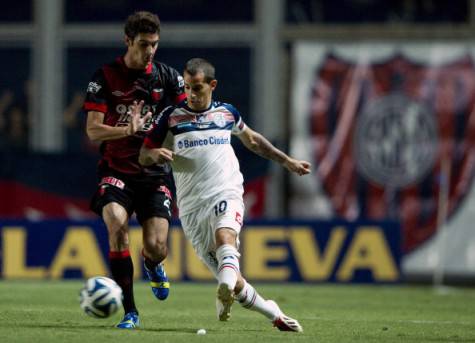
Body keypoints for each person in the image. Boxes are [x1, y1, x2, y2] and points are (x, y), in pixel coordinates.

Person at [138, 58, 310, 332]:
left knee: (225, 237)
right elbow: (144, 155)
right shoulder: (170, 117)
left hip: (225, 191)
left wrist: (287, 161)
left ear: (212, 85)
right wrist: (155, 154)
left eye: (197, 88)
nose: (191, 94)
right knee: (234, 278)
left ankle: (224, 286)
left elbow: (253, 140)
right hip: (192, 208)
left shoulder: (227, 113)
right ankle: (272, 312)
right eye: (187, 88)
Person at [83, 11, 186, 329]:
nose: (150, 51)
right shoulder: (104, 77)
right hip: (116, 170)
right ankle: (130, 311)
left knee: (156, 246)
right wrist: (128, 130)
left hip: (154, 174)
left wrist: (169, 142)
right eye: (144, 44)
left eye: (154, 44)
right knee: (116, 224)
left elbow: (188, 118)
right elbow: (93, 131)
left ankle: (153, 265)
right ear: (128, 41)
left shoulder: (167, 76)